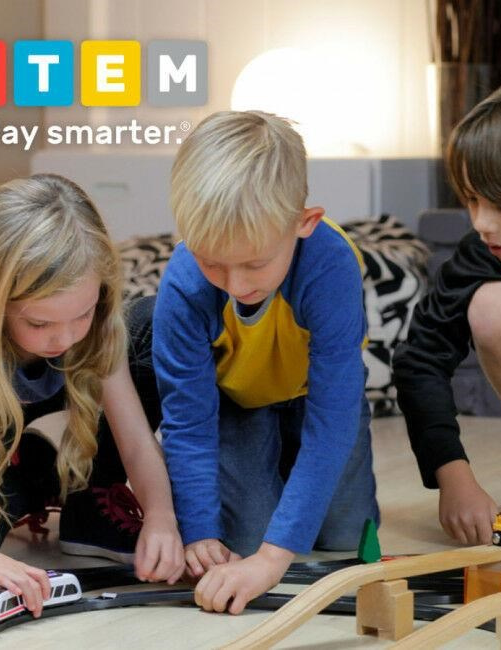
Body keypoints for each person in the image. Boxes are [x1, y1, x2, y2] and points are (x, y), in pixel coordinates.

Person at [0, 174, 184, 618]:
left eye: (82, 314)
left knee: (153, 321)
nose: (64, 338)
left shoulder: (95, 326)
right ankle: (30, 472)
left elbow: (137, 440)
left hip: (46, 415)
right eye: (39, 323)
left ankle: (89, 496)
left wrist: (161, 517)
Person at [152, 110, 379, 614]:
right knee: (246, 539)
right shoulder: (183, 287)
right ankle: (272, 482)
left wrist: (276, 558)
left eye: (256, 263)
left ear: (304, 224)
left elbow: (333, 418)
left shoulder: (330, 266)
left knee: (345, 536)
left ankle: (287, 476)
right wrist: (200, 531)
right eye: (213, 262)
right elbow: (188, 422)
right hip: (236, 405)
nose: (236, 284)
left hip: (314, 399)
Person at [393, 71, 501, 546]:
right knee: (491, 307)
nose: (483, 223)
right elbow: (420, 359)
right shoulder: (483, 253)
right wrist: (453, 476)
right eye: (471, 199)